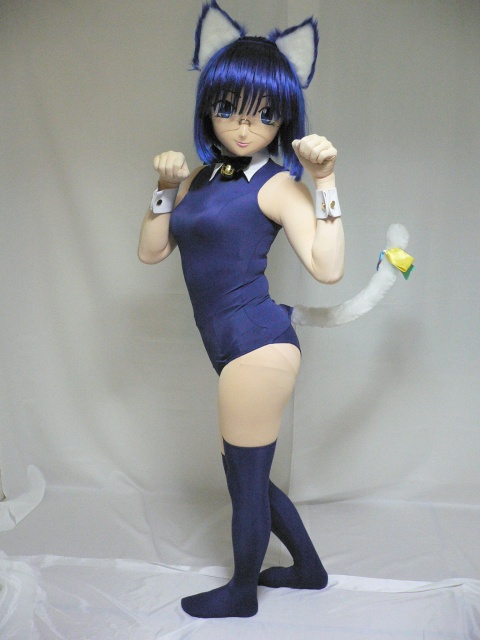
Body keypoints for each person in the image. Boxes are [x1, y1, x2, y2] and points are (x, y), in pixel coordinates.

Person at [138, 0, 345, 619]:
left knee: (245, 476)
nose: (246, 126)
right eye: (230, 108)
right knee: (241, 471)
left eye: (265, 113)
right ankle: (308, 570)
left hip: (258, 343)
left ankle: (241, 593)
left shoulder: (278, 183)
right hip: (230, 347)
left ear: (283, 117)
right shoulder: (201, 179)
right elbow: (152, 251)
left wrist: (326, 182)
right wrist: (164, 189)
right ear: (209, 107)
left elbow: (328, 267)